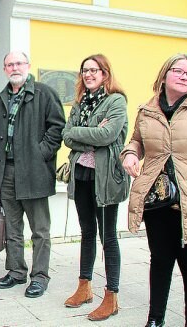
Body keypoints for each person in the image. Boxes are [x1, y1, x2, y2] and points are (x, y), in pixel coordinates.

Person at [121, 53, 187, 327]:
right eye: (178, 71)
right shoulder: (147, 110)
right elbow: (136, 141)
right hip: (158, 199)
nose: (184, 76)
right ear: (164, 75)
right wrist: (131, 154)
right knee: (161, 260)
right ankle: (155, 320)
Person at [0, 51, 65, 298]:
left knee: (40, 229)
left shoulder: (43, 93)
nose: (14, 67)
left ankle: (40, 276)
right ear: (4, 69)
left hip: (34, 171)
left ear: (28, 65)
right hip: (6, 171)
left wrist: (40, 153)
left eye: (18, 63)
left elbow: (57, 128)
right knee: (12, 227)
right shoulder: (1, 98)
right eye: (9, 64)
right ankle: (16, 271)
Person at [62, 54, 130, 321]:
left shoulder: (116, 101)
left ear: (105, 73)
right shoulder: (80, 102)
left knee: (108, 237)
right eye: (84, 71)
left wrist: (84, 133)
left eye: (93, 70)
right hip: (81, 175)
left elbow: (108, 135)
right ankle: (84, 288)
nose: (88, 74)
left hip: (105, 178)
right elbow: (67, 135)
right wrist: (91, 136)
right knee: (87, 232)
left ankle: (111, 296)